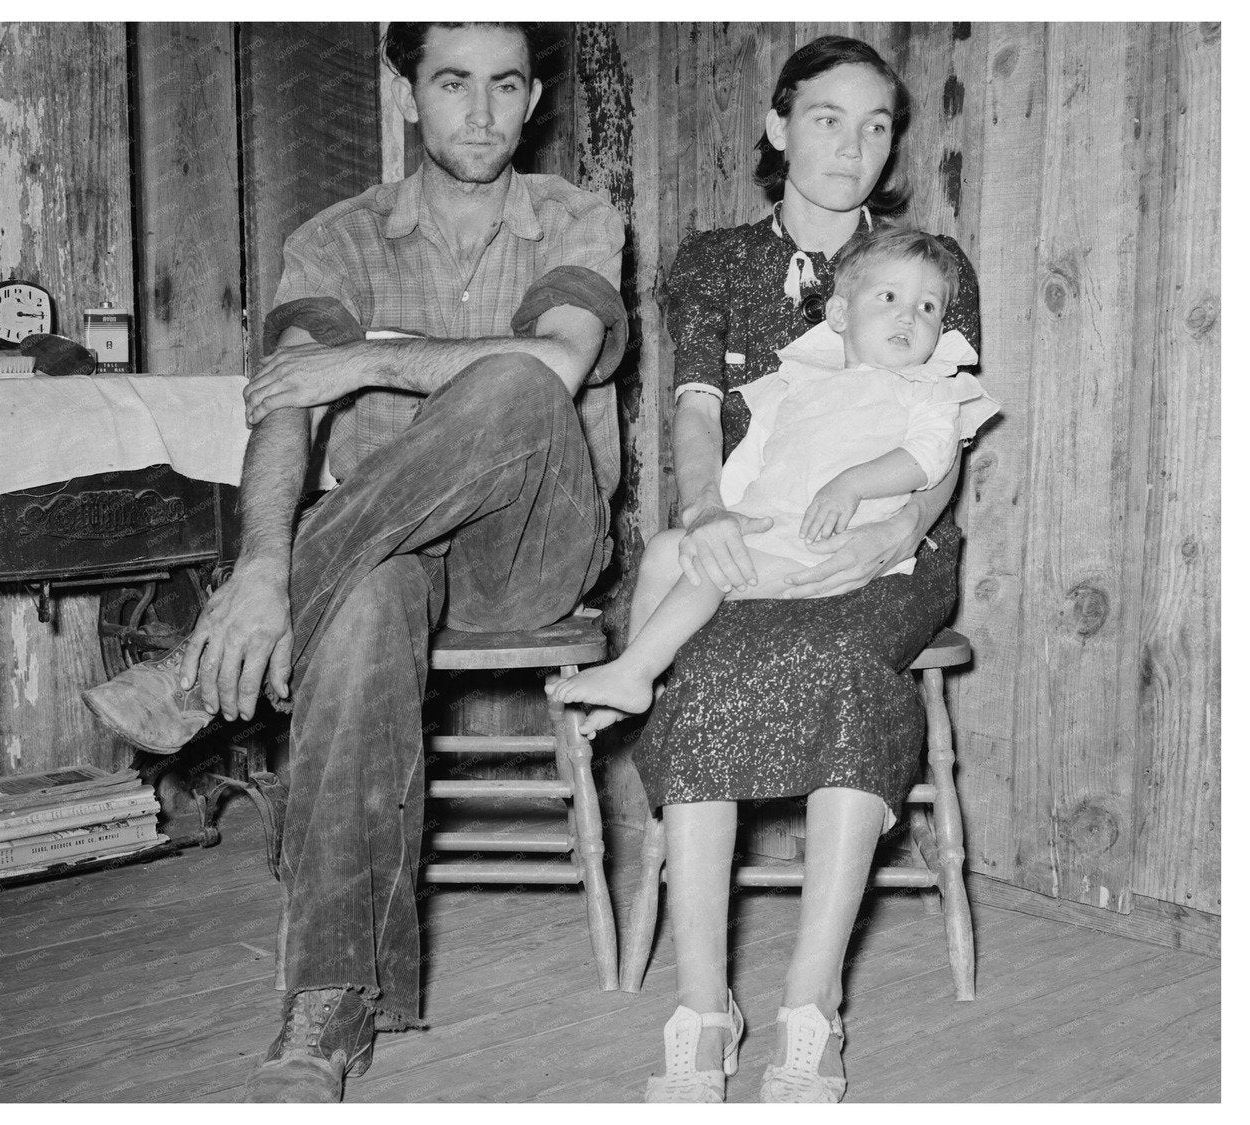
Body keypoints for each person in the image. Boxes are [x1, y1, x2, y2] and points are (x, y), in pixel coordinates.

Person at [82, 22, 626, 1103]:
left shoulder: (577, 214)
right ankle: (330, 1001)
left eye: (507, 85)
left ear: (535, 98)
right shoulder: (335, 237)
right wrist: (258, 569)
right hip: (385, 546)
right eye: (454, 83)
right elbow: (286, 404)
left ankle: (195, 670)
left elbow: (558, 362)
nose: (482, 112)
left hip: (534, 543)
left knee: (516, 383)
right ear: (407, 94)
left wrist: (368, 359)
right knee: (368, 603)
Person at [619, 37, 983, 1103]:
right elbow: (693, 409)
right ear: (778, 131)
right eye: (827, 117)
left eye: (877, 124)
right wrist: (706, 516)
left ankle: (810, 1008)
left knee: (835, 657)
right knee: (703, 664)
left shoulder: (929, 264)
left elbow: (942, 433)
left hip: (891, 542)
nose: (854, 144)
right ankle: (702, 1006)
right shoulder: (717, 261)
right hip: (754, 531)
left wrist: (894, 533)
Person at [547, 228, 996, 731]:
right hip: (775, 529)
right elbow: (753, 458)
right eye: (889, 297)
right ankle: (640, 678)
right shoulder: (795, 386)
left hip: (831, 550)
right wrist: (726, 514)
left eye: (928, 308)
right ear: (839, 315)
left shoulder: (928, 390)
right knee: (666, 553)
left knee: (713, 572)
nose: (908, 315)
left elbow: (928, 458)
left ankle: (633, 673)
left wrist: (853, 484)